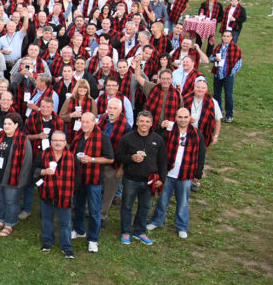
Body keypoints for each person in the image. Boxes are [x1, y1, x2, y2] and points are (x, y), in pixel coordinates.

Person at [147, 107, 199, 239]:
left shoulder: (196, 134)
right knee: (163, 199)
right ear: (175, 118)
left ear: (190, 118)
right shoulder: (168, 132)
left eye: (185, 117)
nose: (183, 120)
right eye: (180, 117)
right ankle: (156, 221)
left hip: (186, 174)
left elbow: (201, 155)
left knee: (183, 202)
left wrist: (198, 174)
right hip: (168, 173)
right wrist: (161, 128)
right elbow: (155, 139)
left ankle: (182, 226)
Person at [116, 111, 167, 246]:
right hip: (131, 179)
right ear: (137, 122)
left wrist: (162, 179)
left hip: (150, 180)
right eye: (142, 121)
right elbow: (119, 156)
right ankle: (126, 231)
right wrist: (131, 158)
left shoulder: (158, 139)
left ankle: (140, 231)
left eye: (147, 122)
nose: (144, 124)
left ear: (151, 124)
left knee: (145, 207)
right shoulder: (127, 138)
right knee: (127, 206)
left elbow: (162, 161)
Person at [69, 111, 114, 253]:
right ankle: (79, 230)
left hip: (94, 179)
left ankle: (93, 239)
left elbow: (110, 159)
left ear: (94, 122)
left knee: (95, 210)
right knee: (78, 206)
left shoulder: (103, 138)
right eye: (83, 122)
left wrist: (92, 159)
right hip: (79, 178)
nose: (85, 124)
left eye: (88, 122)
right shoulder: (78, 136)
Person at [0, 112, 33, 238]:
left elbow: (27, 162)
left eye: (9, 124)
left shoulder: (23, 140)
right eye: (5, 123)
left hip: (13, 177)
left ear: (16, 125)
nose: (6, 126)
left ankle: (9, 224)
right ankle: (1, 221)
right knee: (0, 200)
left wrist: (21, 181)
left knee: (11, 201)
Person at [36, 130, 77, 259]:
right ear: (51, 142)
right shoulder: (43, 155)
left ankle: (67, 247)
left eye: (60, 140)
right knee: (47, 220)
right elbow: (34, 170)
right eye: (55, 140)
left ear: (65, 143)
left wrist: (72, 191)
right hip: (47, 193)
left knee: (65, 223)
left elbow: (77, 177)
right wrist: (43, 171)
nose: (58, 143)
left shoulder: (71, 157)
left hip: (64, 195)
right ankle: (47, 242)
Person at [210, 31, 242, 123]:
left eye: (228, 36)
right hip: (217, 74)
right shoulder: (218, 47)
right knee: (217, 94)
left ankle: (229, 115)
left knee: (228, 95)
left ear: (231, 37)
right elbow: (211, 58)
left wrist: (232, 73)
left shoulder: (235, 48)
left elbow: (239, 62)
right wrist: (215, 59)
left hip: (228, 75)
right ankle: (218, 113)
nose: (226, 38)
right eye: (224, 36)